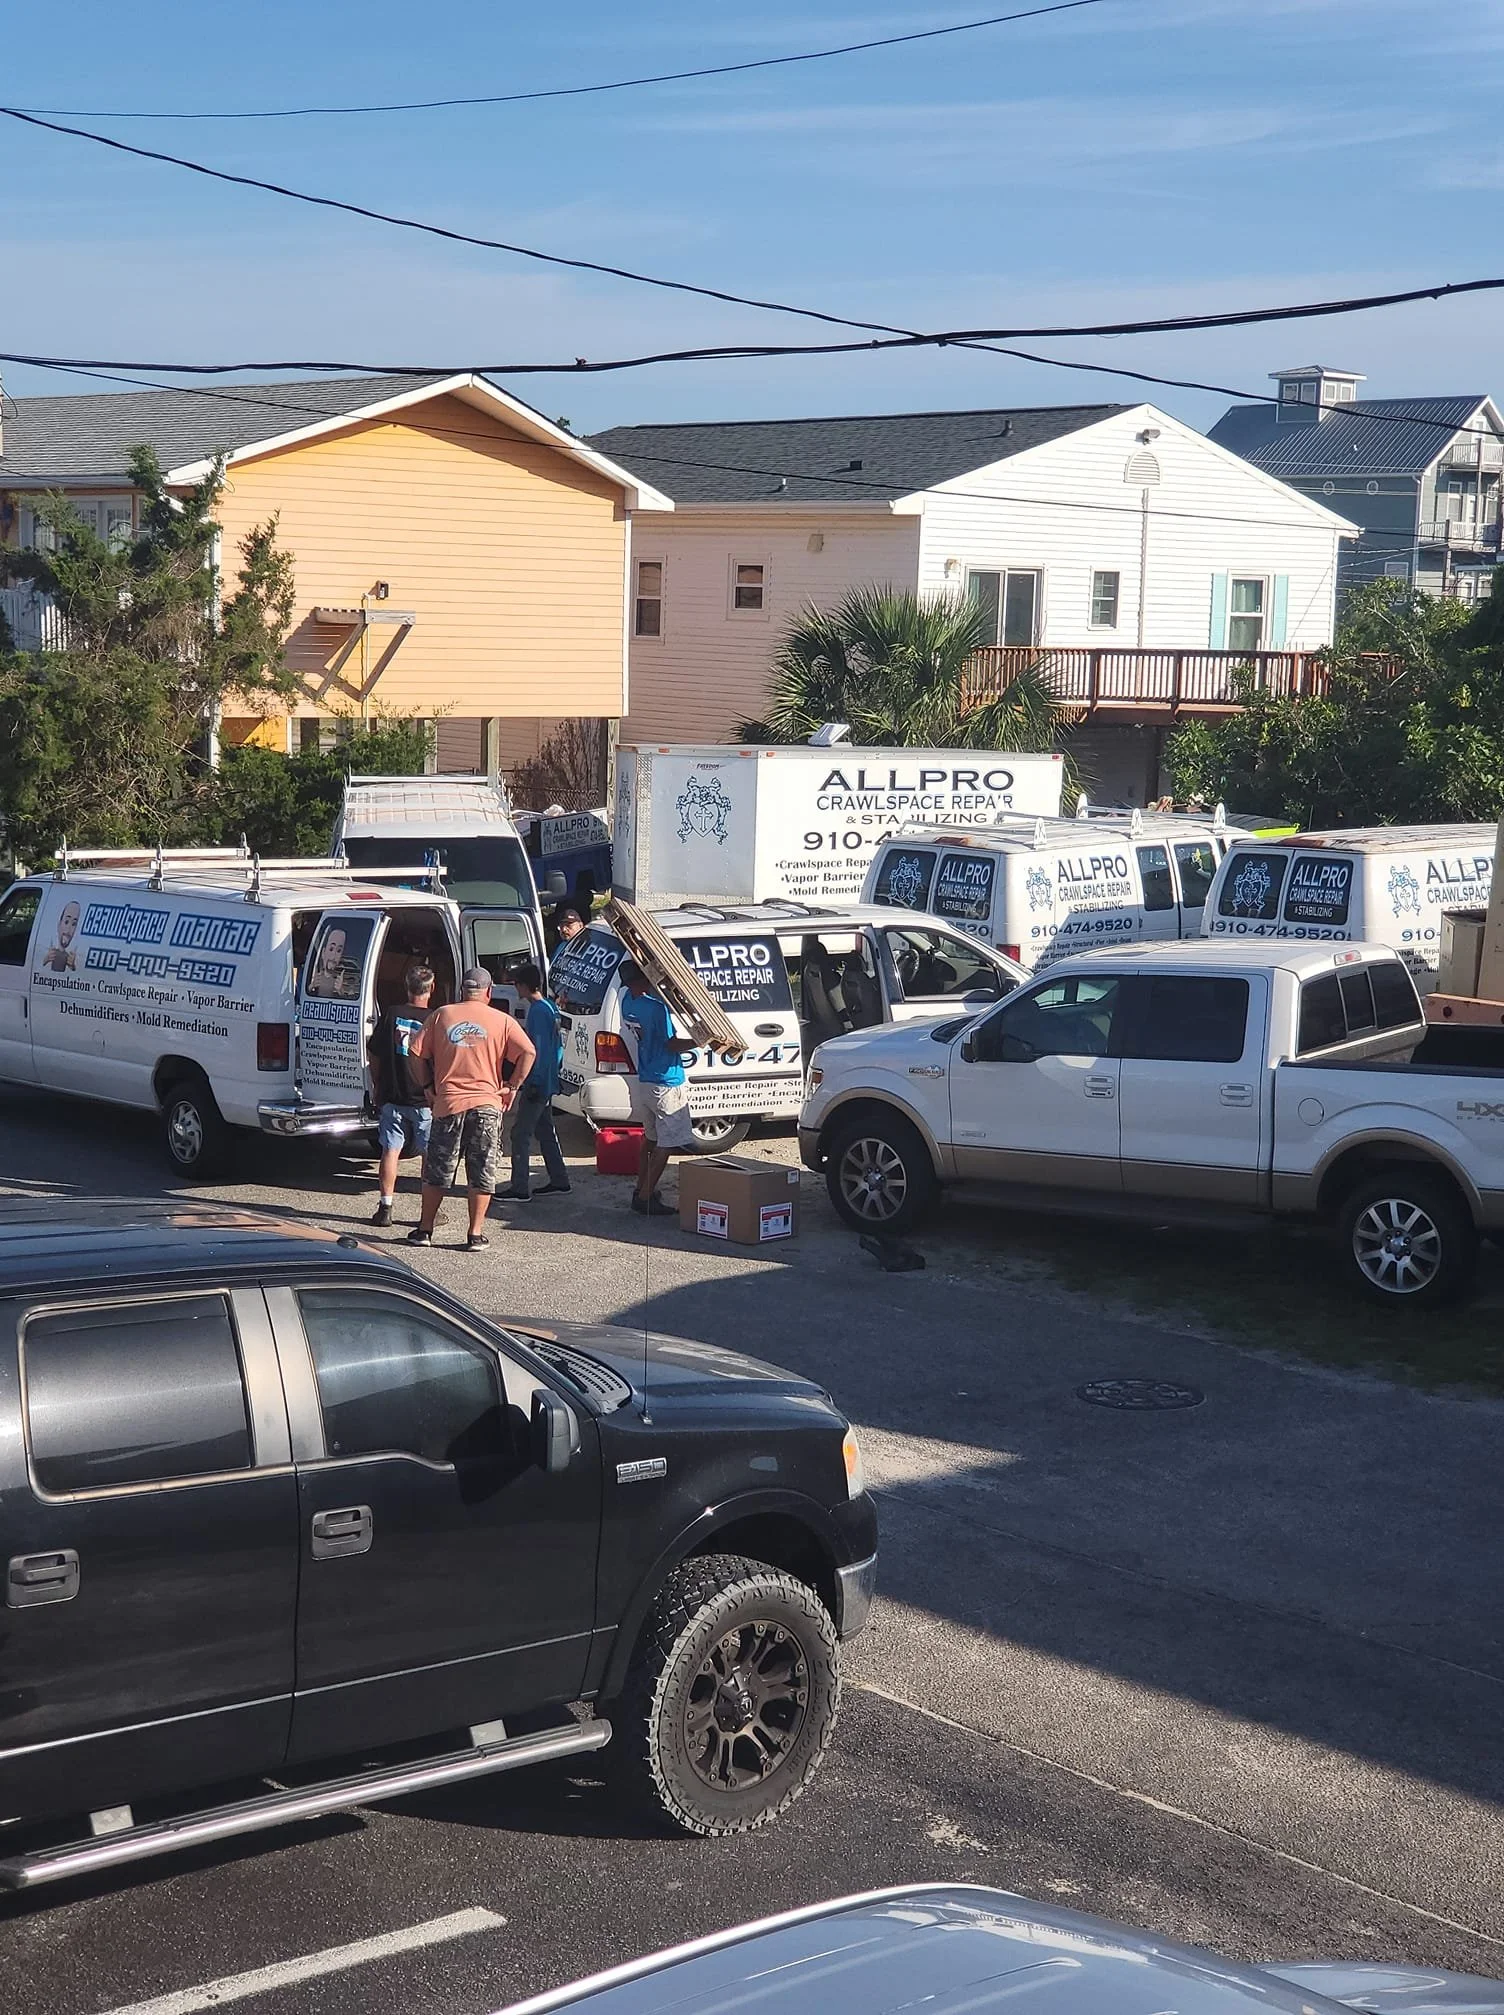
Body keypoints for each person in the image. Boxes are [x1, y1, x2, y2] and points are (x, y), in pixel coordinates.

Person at [407, 968, 534, 1251]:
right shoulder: (502, 1020)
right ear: (488, 992)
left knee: (438, 1169)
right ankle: (475, 1234)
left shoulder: (441, 1015)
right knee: (482, 1169)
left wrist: (427, 1085)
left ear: (462, 990)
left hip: (448, 1103)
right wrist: (512, 1086)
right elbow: (528, 1052)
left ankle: (425, 1229)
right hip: (487, 1104)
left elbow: (414, 1052)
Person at [617, 959, 698, 1216]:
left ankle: (641, 1188)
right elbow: (671, 1044)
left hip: (646, 1080)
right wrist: (698, 1040)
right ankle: (645, 1196)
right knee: (667, 1142)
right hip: (666, 1080)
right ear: (643, 980)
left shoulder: (627, 1002)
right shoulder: (656, 1008)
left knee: (650, 1138)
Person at [366, 964, 434, 1228]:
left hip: (393, 1095)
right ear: (432, 988)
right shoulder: (434, 1017)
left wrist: (377, 1085)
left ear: (406, 986)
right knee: (429, 1154)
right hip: (424, 1099)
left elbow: (375, 1054)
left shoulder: (392, 1014)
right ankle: (427, 1212)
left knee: (390, 1150)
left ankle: (385, 1206)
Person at [497, 963, 571, 1201]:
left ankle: (519, 1188)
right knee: (545, 1130)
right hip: (548, 1080)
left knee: (520, 1134)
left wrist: (533, 1081)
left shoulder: (538, 1011)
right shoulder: (550, 1007)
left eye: (516, 983)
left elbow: (536, 1049)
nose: (515, 988)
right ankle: (560, 1180)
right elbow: (556, 1049)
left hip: (538, 1082)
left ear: (524, 985)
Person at [40, 900, 80, 973]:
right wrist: (45, 960)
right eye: (66, 922)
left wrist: (73, 967)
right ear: (59, 925)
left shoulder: (69, 956)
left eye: (74, 924)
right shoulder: (50, 952)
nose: (68, 930)